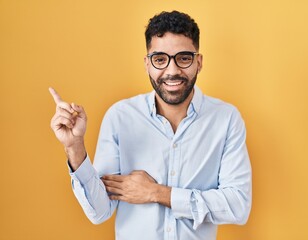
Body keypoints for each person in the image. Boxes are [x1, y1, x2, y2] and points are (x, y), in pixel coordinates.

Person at [49, 10, 252, 240]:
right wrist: (75, 147)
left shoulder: (225, 119)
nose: (172, 71)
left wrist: (157, 193)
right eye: (160, 59)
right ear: (147, 64)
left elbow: (238, 206)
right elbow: (100, 211)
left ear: (199, 62)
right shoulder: (120, 117)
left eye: (184, 58)